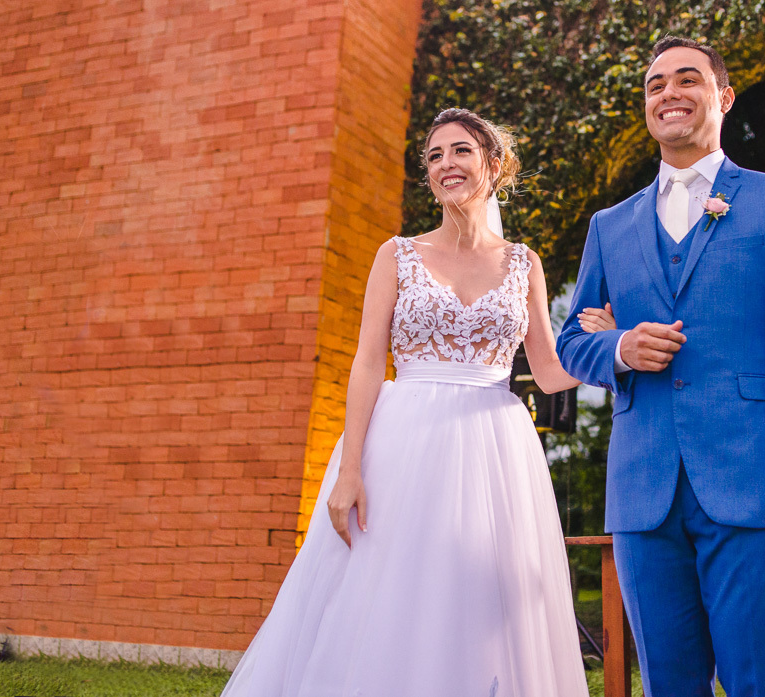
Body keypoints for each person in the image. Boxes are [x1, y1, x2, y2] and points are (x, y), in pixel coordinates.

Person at [220, 108, 611, 697]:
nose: (445, 165)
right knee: (389, 592)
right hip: (403, 441)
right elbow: (367, 363)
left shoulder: (523, 263)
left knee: (477, 599)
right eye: (433, 156)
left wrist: (611, 349)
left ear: (494, 165)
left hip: (496, 447)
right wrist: (349, 468)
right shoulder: (397, 255)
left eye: (460, 151)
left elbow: (552, 372)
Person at [557, 36, 765, 697]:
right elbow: (572, 338)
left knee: (760, 679)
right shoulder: (611, 224)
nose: (669, 93)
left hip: (755, 487)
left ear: (724, 96)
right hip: (643, 493)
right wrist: (620, 348)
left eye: (687, 79)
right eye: (656, 85)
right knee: (668, 682)